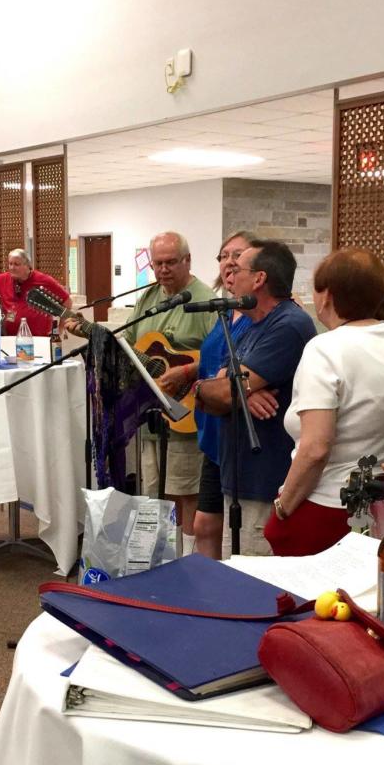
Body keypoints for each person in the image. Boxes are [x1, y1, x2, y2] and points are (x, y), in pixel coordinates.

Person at [264, 248, 384, 557]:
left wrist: (283, 507)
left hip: (332, 506)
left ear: (326, 297)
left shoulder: (324, 349)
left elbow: (316, 448)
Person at [194, 239, 316, 557]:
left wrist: (226, 391)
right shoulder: (251, 324)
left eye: (238, 269)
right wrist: (235, 392)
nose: (229, 275)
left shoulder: (288, 325)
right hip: (238, 475)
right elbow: (218, 390)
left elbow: (223, 390)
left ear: (259, 278)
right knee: (230, 570)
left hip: (264, 481)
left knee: (252, 575)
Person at [154, 231, 254, 558]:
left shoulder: (258, 316)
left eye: (237, 256)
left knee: (228, 529)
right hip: (208, 428)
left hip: (235, 432)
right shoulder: (226, 310)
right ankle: (189, 573)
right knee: (204, 524)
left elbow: (242, 370)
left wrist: (243, 388)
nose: (229, 263)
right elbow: (215, 363)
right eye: (223, 256)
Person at [125, 231, 217, 551]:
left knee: (185, 490)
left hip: (187, 412)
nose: (163, 269)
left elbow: (222, 354)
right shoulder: (148, 297)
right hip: (152, 414)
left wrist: (187, 371)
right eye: (158, 263)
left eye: (171, 262)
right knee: (155, 489)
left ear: (187, 260)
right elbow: (131, 341)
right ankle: (162, 552)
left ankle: (189, 556)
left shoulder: (204, 299)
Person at [0, 248, 72, 335]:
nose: (12, 267)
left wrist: (60, 329)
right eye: (10, 264)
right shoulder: (3, 279)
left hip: (40, 339)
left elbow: (67, 302)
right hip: (11, 338)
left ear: (28, 266)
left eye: (16, 264)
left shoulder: (44, 280)